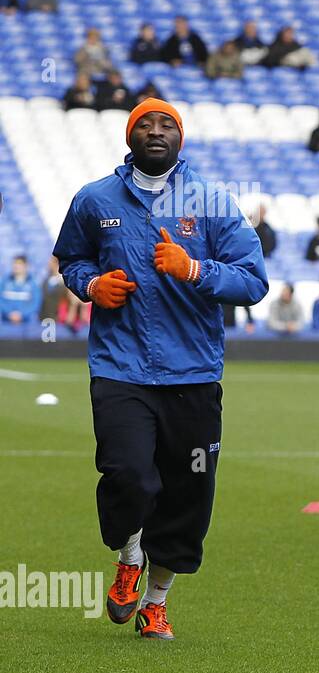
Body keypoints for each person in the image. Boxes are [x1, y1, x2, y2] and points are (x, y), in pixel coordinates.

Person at [52, 98, 269, 640]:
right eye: (143, 123)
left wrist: (194, 268)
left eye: (166, 124)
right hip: (120, 367)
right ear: (129, 136)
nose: (155, 131)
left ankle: (156, 601)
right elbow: (73, 260)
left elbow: (253, 281)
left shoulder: (214, 203)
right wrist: (91, 286)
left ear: (181, 137)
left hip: (192, 372)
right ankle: (129, 556)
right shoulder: (94, 198)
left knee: (189, 493)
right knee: (127, 473)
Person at [0, 255, 42, 324]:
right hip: (6, 323)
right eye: (14, 263)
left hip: (26, 324)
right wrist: (9, 313)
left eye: (19, 263)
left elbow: (35, 303)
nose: (16, 266)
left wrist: (22, 314)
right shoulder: (4, 282)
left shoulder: (33, 284)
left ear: (26, 266)